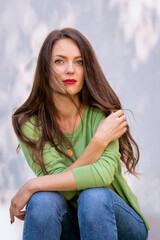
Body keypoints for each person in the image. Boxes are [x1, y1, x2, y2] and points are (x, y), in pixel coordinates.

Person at [9, 28, 149, 240]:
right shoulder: (30, 123)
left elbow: (101, 175)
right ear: (45, 69)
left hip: (119, 222)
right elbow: (62, 191)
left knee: (93, 197)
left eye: (79, 62)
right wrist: (98, 143)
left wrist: (33, 184)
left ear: (87, 69)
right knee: (42, 201)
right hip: (69, 222)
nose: (70, 70)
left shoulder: (104, 114)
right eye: (59, 61)